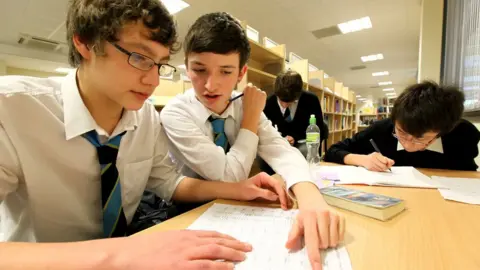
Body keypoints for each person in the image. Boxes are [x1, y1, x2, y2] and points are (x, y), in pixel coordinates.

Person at [0, 1, 292, 269]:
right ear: (86, 42)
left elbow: (169, 182)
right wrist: (119, 253)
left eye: (160, 64)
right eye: (140, 57)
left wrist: (236, 190)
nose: (153, 81)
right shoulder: (12, 109)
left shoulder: (146, 117)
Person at [160, 12, 345, 269]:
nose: (210, 85)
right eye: (199, 70)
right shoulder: (176, 112)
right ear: (187, 66)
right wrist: (251, 119)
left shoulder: (244, 104)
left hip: (238, 206)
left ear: (241, 72)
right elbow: (226, 175)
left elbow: (282, 151)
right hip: (188, 211)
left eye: (225, 71)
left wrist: (310, 196)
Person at [324, 81, 480, 171]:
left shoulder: (463, 134)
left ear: (440, 132)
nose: (407, 143)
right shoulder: (382, 129)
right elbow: (332, 151)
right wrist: (362, 159)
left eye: (420, 138)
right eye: (402, 132)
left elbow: (468, 176)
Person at [264, 70, 324, 156]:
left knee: (305, 151)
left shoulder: (311, 100)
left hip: (302, 141)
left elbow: (317, 129)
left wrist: (294, 137)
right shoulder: (269, 101)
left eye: (289, 102)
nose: (284, 105)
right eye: (281, 101)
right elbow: (265, 129)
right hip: (278, 143)